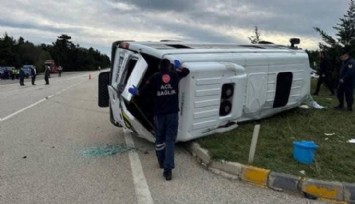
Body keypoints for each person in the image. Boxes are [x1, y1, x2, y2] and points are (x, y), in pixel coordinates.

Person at [128, 59, 190, 181]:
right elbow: (187, 71)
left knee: (160, 138)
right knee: (170, 140)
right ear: (169, 67)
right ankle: (168, 170)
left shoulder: (155, 77)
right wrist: (178, 67)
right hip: (172, 114)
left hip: (159, 115)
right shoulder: (174, 75)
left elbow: (142, 92)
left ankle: (161, 162)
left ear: (160, 67)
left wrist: (136, 92)